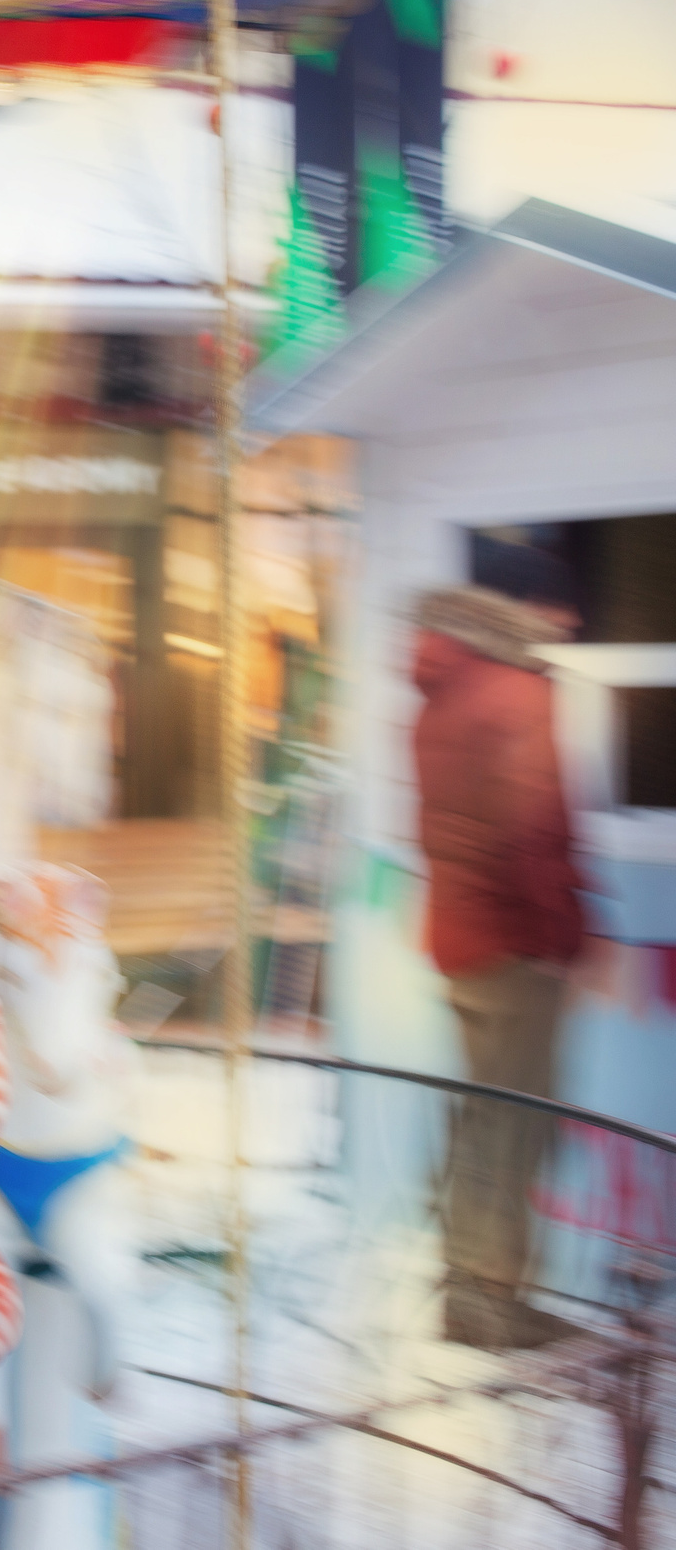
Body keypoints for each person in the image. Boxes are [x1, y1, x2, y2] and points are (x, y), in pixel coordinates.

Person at [411, 578, 586, 1349]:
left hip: (460, 940)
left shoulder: (436, 698)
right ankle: (493, 1305)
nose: (569, 616)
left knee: (480, 1119)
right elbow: (535, 835)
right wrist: (569, 936)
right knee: (513, 1127)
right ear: (517, 611)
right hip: (515, 947)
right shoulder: (515, 696)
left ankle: (463, 1287)